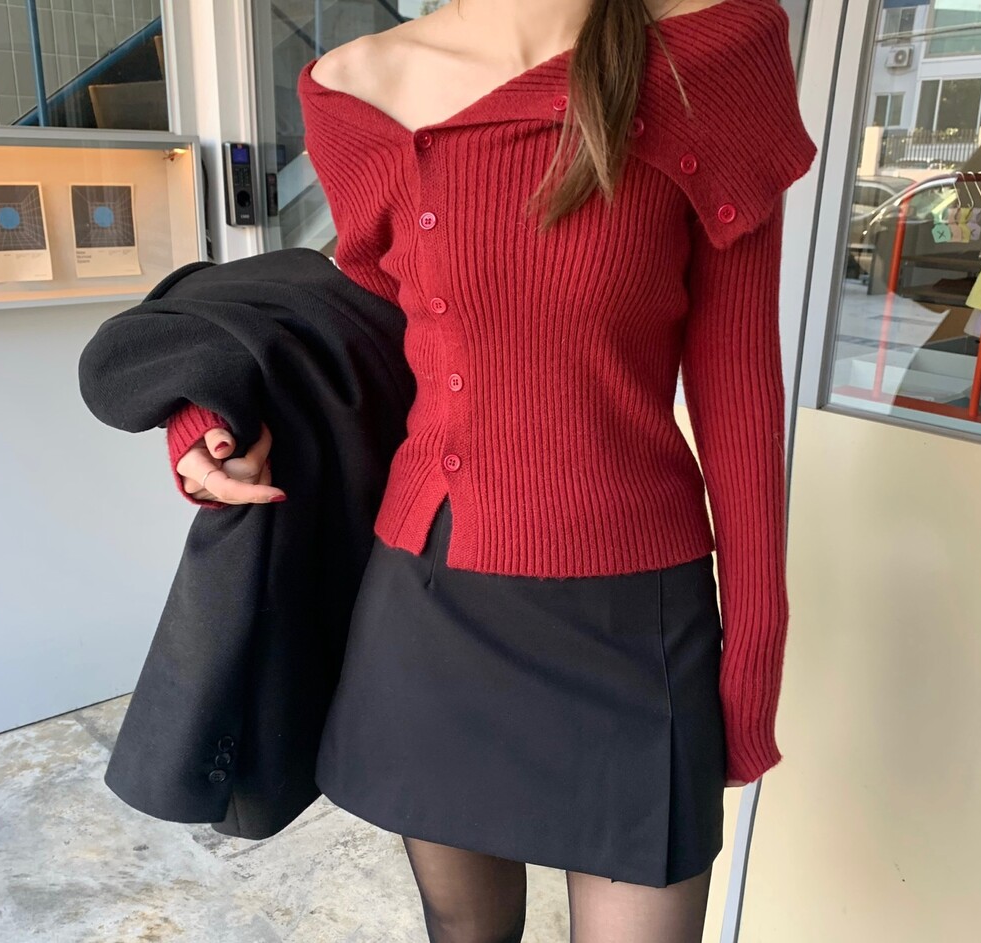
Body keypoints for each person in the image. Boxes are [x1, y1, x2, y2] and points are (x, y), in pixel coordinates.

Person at [163, 0, 817, 939]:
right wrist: (213, 412)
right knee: (466, 930)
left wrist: (753, 650)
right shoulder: (356, 91)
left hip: (637, 620)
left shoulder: (712, 57)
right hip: (432, 606)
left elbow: (740, 392)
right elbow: (367, 340)